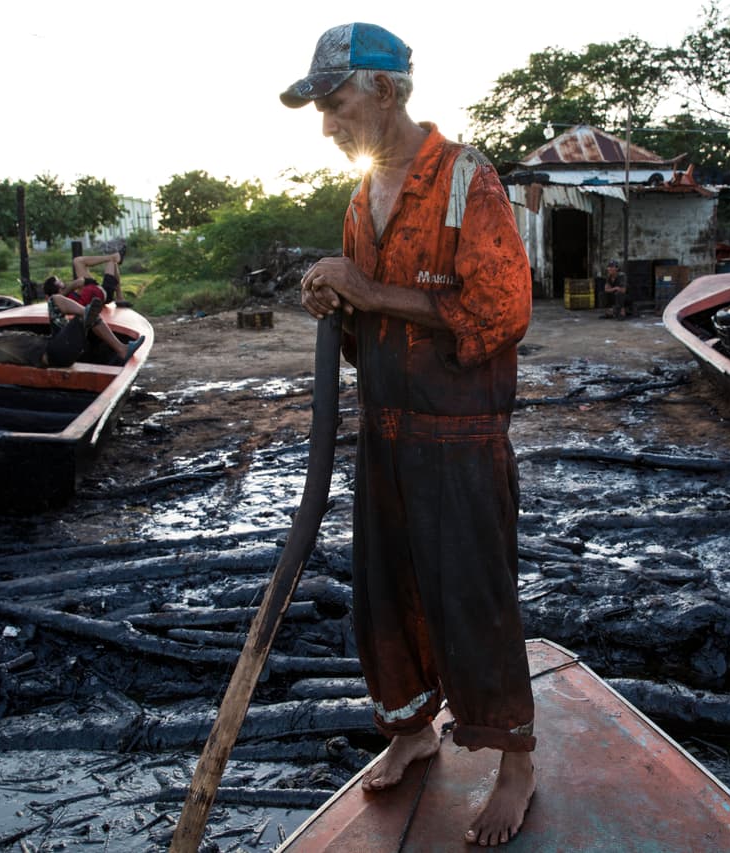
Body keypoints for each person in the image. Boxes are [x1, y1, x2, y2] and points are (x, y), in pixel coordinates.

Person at [282, 22, 536, 847]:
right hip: (384, 432)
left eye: (335, 101)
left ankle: (516, 763)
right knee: (387, 596)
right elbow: (366, 331)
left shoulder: (469, 180)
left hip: (459, 436)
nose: (327, 124)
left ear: (385, 91)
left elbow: (500, 313)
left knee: (474, 597)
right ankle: (413, 728)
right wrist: (339, 302)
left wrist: (370, 290)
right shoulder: (363, 199)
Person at [0, 296, 144, 367]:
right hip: (54, 355)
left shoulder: (1, 335)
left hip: (54, 341)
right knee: (85, 319)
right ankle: (120, 349)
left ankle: (86, 312)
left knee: (56, 301)